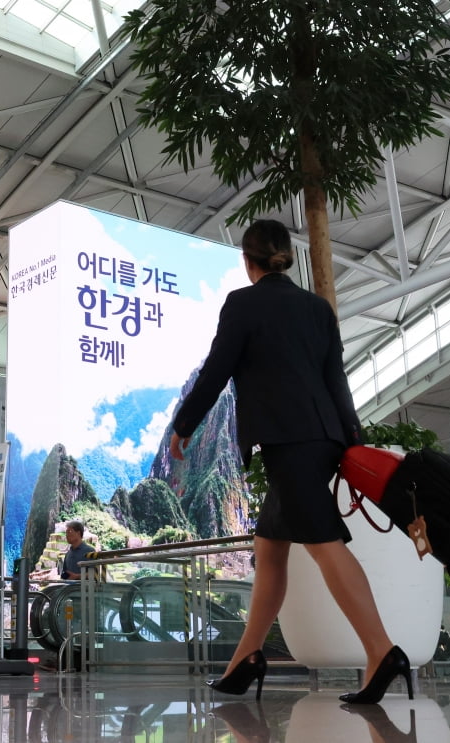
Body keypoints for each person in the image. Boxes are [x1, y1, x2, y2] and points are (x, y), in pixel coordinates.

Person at [169, 219, 406, 704]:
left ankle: (382, 651)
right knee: (270, 548)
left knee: (324, 544)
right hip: (323, 438)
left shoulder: (243, 304)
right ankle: (247, 658)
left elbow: (217, 371)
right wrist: (352, 440)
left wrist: (185, 425)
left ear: (248, 260)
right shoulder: (318, 309)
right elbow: (336, 380)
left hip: (287, 441)